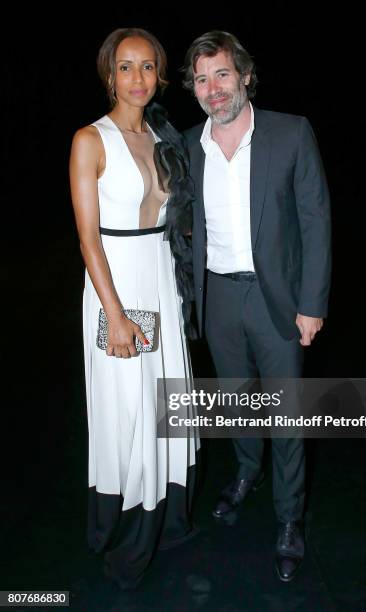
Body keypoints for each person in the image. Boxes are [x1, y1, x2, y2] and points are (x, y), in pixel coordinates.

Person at [182, 31, 331, 582]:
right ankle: (246, 472)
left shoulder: (290, 134)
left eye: (222, 74)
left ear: (244, 75)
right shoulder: (189, 146)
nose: (213, 89)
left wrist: (311, 303)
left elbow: (316, 222)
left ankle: (289, 519)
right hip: (217, 295)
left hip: (278, 301)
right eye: (201, 79)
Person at [69, 27, 199, 590]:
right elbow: (88, 240)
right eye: (126, 66)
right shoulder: (88, 140)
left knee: (167, 400)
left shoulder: (162, 135)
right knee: (129, 407)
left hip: (162, 284)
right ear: (108, 75)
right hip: (116, 285)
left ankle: (169, 520)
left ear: (160, 74)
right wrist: (115, 315)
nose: (138, 78)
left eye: (148, 66)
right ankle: (124, 534)